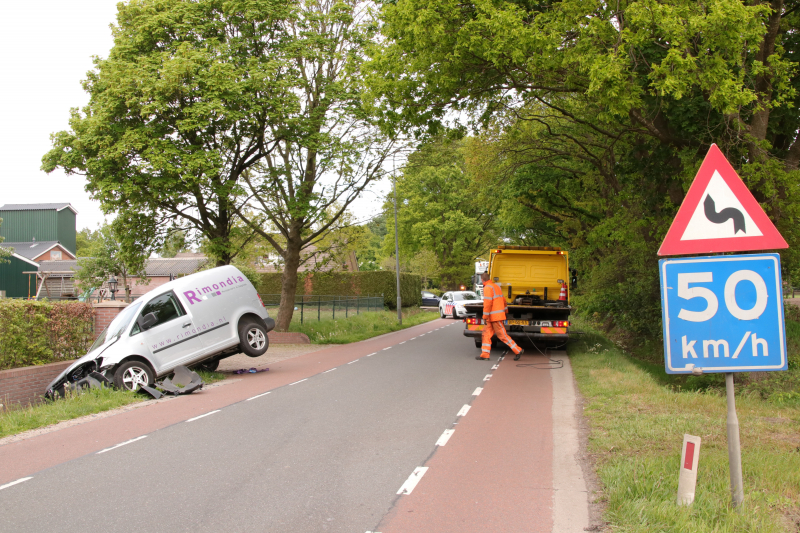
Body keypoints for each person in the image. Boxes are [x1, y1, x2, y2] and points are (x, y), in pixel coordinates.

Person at [477, 272, 524, 361]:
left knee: (502, 336)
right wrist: (505, 311)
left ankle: (518, 350)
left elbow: (487, 303)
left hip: (494, 317)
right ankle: (485, 355)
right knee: (486, 334)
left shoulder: (487, 288)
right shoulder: (496, 287)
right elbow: (503, 300)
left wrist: (485, 316)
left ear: (482, 280)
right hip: (495, 316)